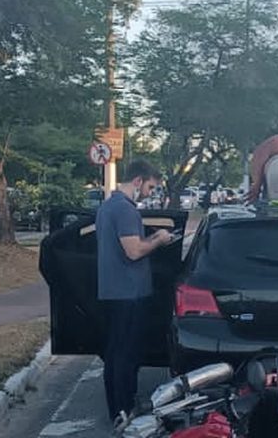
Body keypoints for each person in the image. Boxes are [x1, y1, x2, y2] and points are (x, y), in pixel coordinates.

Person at [96, 160, 175, 423]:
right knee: (126, 357)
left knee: (115, 354)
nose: (150, 193)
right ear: (138, 180)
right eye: (151, 187)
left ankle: (116, 410)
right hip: (128, 294)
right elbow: (134, 251)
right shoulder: (125, 210)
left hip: (114, 291)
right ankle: (125, 410)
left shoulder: (108, 206)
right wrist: (159, 239)